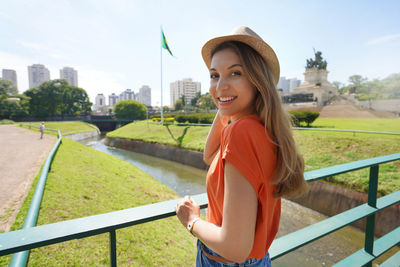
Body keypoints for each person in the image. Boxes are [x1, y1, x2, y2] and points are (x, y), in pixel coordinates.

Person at [175, 26, 308, 266]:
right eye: (215, 76)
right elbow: (210, 155)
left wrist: (192, 221)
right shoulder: (260, 128)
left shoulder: (241, 132)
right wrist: (226, 99)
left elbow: (235, 248)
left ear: (258, 80)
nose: (219, 85)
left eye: (235, 73)